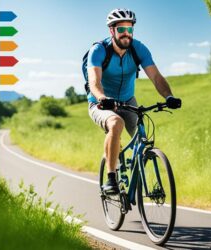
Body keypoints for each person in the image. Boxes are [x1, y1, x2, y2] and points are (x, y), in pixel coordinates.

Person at [86, 8, 182, 194]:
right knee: (115, 123)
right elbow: (94, 82)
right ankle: (111, 178)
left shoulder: (139, 49)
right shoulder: (98, 51)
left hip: (128, 101)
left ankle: (138, 181)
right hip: (100, 102)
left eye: (130, 30)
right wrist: (103, 98)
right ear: (112, 31)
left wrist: (168, 96)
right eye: (121, 29)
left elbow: (156, 77)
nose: (126, 34)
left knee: (142, 138)